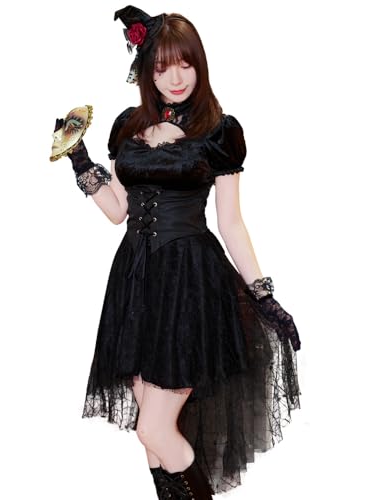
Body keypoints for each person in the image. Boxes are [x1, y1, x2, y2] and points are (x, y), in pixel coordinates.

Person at [55, 5, 302, 498]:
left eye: (185, 64)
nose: (175, 77)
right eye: (163, 66)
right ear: (146, 70)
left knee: (154, 428)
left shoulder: (218, 131)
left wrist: (262, 293)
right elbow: (118, 210)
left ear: (199, 65)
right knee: (149, 432)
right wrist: (78, 158)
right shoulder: (128, 126)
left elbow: (230, 222)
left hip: (189, 282)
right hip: (135, 282)